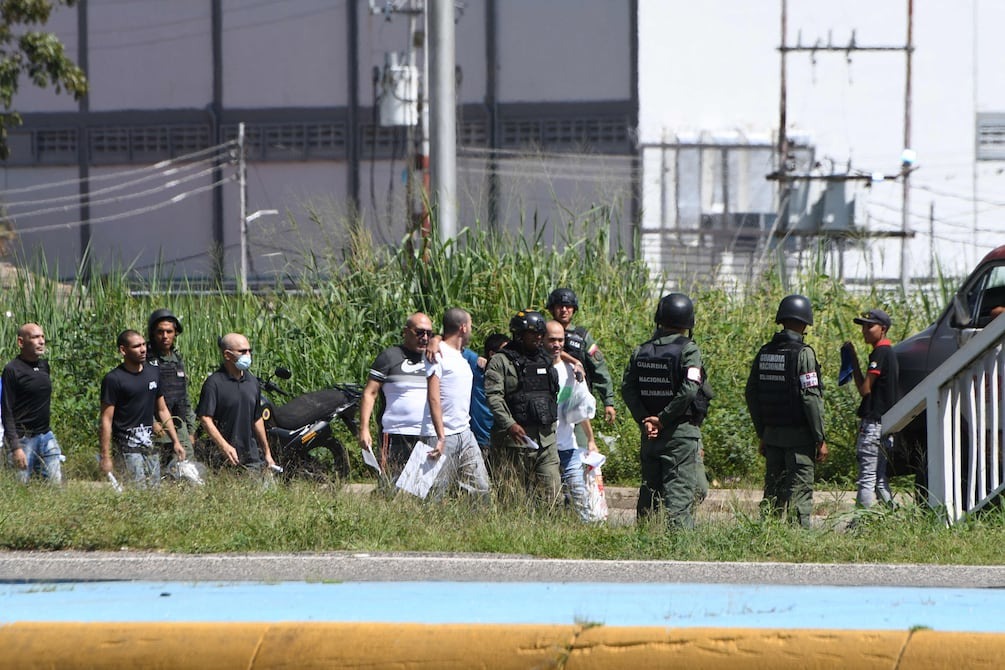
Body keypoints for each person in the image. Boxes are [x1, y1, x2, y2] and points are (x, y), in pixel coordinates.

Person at [621, 293, 709, 529]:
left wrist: (645, 420)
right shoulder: (689, 350)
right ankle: (679, 551)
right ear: (688, 321)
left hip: (649, 435)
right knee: (680, 495)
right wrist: (662, 419)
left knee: (650, 493)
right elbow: (691, 388)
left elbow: (627, 389)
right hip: (679, 434)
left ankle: (645, 538)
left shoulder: (641, 350)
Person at [745, 294, 827, 528]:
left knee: (773, 494)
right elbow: (811, 399)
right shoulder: (804, 354)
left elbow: (751, 393)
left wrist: (763, 432)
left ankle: (767, 535)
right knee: (799, 495)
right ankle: (798, 540)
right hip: (799, 440)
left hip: (772, 437)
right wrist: (820, 438)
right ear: (804, 323)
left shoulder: (765, 352)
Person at [485, 309, 561, 505]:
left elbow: (551, 395)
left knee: (553, 499)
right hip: (514, 443)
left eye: (540, 333)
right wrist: (509, 424)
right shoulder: (500, 361)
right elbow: (494, 396)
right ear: (519, 334)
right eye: (532, 333)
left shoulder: (545, 359)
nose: (538, 337)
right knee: (512, 501)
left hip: (546, 442)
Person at [99, 329, 186, 488]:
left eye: (144, 345)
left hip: (149, 444)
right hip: (127, 447)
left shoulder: (153, 372)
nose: (143, 349)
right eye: (136, 346)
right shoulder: (114, 379)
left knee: (155, 489)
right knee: (136, 490)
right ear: (123, 350)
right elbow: (106, 419)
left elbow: (162, 409)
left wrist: (176, 441)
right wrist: (106, 456)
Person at [421, 308, 490, 500]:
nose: (471, 330)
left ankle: (474, 528)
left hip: (464, 432)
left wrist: (436, 338)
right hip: (441, 434)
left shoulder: (460, 354)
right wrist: (441, 437)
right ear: (463, 327)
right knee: (433, 494)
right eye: (471, 326)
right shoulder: (436, 354)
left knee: (481, 488)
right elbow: (433, 397)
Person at [358, 313, 434, 484]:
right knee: (391, 486)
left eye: (430, 333)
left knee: (420, 489)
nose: (425, 338)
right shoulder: (390, 356)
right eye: (420, 332)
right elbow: (370, 393)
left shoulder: (434, 358)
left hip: (427, 434)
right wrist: (364, 429)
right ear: (405, 332)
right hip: (395, 433)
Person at [196, 332, 276, 474]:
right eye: (242, 351)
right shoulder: (214, 383)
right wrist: (224, 446)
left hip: (251, 458)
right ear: (227, 355)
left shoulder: (252, 382)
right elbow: (205, 419)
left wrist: (267, 452)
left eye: (249, 351)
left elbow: (257, 419)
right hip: (222, 459)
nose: (248, 355)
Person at [843, 308, 898, 509]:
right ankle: (892, 516)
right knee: (879, 478)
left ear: (882, 329)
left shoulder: (880, 353)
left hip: (873, 425)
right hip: (886, 424)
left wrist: (853, 360)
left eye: (870, 326)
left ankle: (861, 522)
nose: (865, 330)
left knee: (867, 477)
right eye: (863, 326)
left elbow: (865, 389)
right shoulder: (889, 352)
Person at [546, 319, 597, 521]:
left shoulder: (571, 372)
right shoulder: (536, 367)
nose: (557, 344)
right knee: (550, 498)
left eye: (560, 340)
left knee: (579, 495)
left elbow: (579, 410)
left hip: (568, 446)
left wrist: (591, 440)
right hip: (545, 448)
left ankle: (590, 535)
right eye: (552, 340)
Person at [546, 288, 617, 423]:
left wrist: (608, 402)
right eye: (560, 306)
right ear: (552, 309)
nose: (564, 310)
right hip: (549, 401)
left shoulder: (581, 336)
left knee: (580, 443)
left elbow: (599, 369)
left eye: (568, 306)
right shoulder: (543, 333)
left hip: (576, 403)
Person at [3, 323, 62, 485]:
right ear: (21, 342)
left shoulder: (44, 366)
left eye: (42, 337)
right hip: (23, 438)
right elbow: (6, 410)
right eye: (35, 337)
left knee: (56, 486)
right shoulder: (12, 370)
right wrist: (15, 447)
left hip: (46, 435)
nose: (41, 341)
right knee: (20, 488)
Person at [146, 309, 196, 471]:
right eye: (160, 332)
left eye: (169, 331)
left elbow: (184, 396)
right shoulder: (146, 360)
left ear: (175, 334)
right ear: (153, 334)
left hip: (178, 423)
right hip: (155, 425)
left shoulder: (176, 361)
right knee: (154, 470)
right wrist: (152, 422)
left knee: (185, 468)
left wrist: (190, 429)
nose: (165, 336)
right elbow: (139, 397)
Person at [463, 333, 509, 457]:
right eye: (504, 352)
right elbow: (454, 343)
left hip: (504, 439)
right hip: (479, 440)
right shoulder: (477, 367)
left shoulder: (510, 374)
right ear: (492, 354)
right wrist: (436, 340)